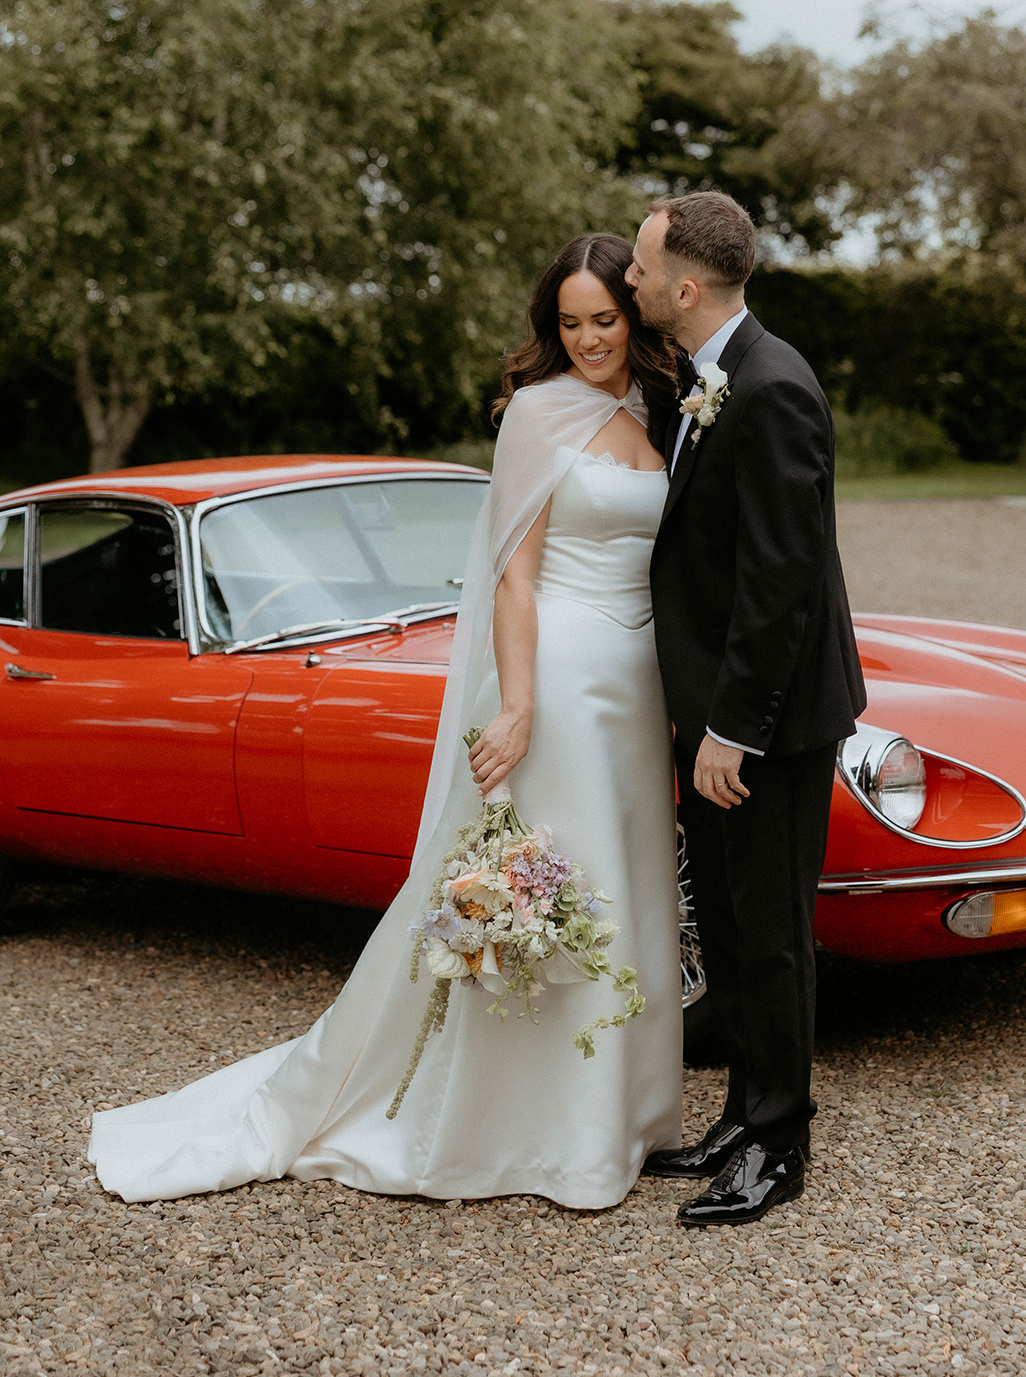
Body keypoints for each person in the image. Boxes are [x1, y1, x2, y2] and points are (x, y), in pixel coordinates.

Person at [87, 233, 684, 1210]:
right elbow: (513, 578)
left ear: (637, 314)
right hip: (564, 675)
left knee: (634, 879)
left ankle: (627, 1111)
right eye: (569, 323)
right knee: (548, 876)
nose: (587, 340)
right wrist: (521, 703)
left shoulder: (659, 402)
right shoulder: (538, 413)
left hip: (643, 677)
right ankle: (532, 1129)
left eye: (605, 320)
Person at [626, 191, 866, 1227]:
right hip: (717, 712)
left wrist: (733, 730)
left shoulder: (771, 388)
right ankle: (743, 1112)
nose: (630, 283)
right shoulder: (707, 378)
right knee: (721, 920)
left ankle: (782, 1143)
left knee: (770, 934)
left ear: (685, 285)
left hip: (768, 724)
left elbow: (783, 581)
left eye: (640, 270)